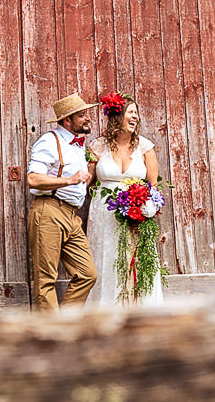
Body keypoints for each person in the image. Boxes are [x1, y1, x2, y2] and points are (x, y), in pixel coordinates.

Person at [88, 94, 165, 307]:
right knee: (108, 259)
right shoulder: (97, 146)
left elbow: (154, 187)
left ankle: (139, 309)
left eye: (136, 113)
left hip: (135, 215)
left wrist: (146, 208)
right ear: (117, 116)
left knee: (137, 262)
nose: (136, 117)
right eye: (131, 113)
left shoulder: (145, 147)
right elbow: (85, 181)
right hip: (104, 215)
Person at [26, 92, 98, 311]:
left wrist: (91, 169)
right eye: (82, 115)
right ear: (67, 120)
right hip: (49, 211)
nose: (88, 119)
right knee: (46, 279)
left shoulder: (78, 145)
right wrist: (68, 180)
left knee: (87, 274)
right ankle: (51, 335)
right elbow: (33, 179)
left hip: (71, 215)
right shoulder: (49, 141)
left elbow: (80, 181)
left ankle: (66, 323)